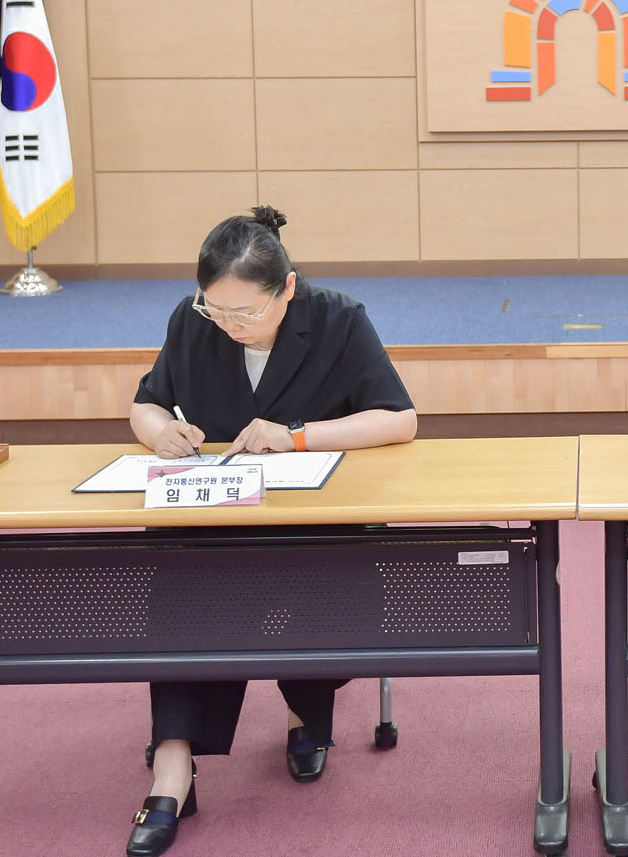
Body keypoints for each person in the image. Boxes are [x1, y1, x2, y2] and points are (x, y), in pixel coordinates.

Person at [125, 205, 417, 856]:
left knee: (318, 576)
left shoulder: (339, 319)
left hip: (316, 524)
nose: (229, 327)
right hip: (218, 520)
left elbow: (399, 419)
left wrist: (297, 438)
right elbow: (147, 402)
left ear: (286, 288)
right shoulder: (191, 320)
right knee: (177, 574)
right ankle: (172, 766)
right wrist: (159, 432)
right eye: (216, 311)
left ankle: (304, 712)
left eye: (245, 314)